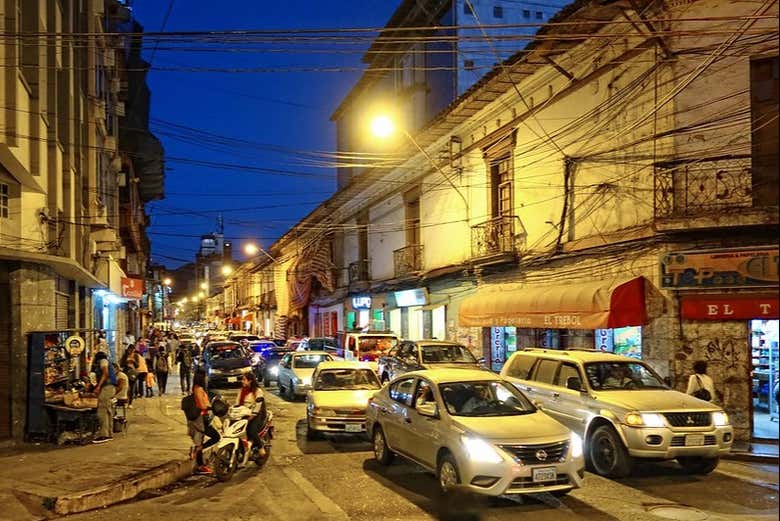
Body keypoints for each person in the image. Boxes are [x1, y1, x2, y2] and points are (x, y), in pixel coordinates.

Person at [190, 369, 221, 474]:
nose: (206, 378)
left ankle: (200, 465)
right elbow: (201, 404)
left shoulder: (199, 388)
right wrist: (210, 407)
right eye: (205, 376)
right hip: (200, 418)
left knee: (200, 442)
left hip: (202, 418)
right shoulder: (198, 389)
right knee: (215, 437)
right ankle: (200, 465)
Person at [236, 372, 266, 456]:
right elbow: (237, 402)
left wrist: (252, 416)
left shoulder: (258, 391)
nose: (242, 381)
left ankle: (260, 447)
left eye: (244, 380)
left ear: (250, 381)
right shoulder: (242, 390)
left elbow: (258, 406)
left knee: (251, 431)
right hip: (243, 414)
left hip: (257, 415)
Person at [92, 352, 117, 443]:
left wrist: (98, 387)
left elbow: (105, 373)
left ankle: (103, 435)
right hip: (111, 388)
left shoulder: (103, 361)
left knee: (101, 411)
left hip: (106, 388)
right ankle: (109, 434)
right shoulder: (107, 362)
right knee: (108, 411)